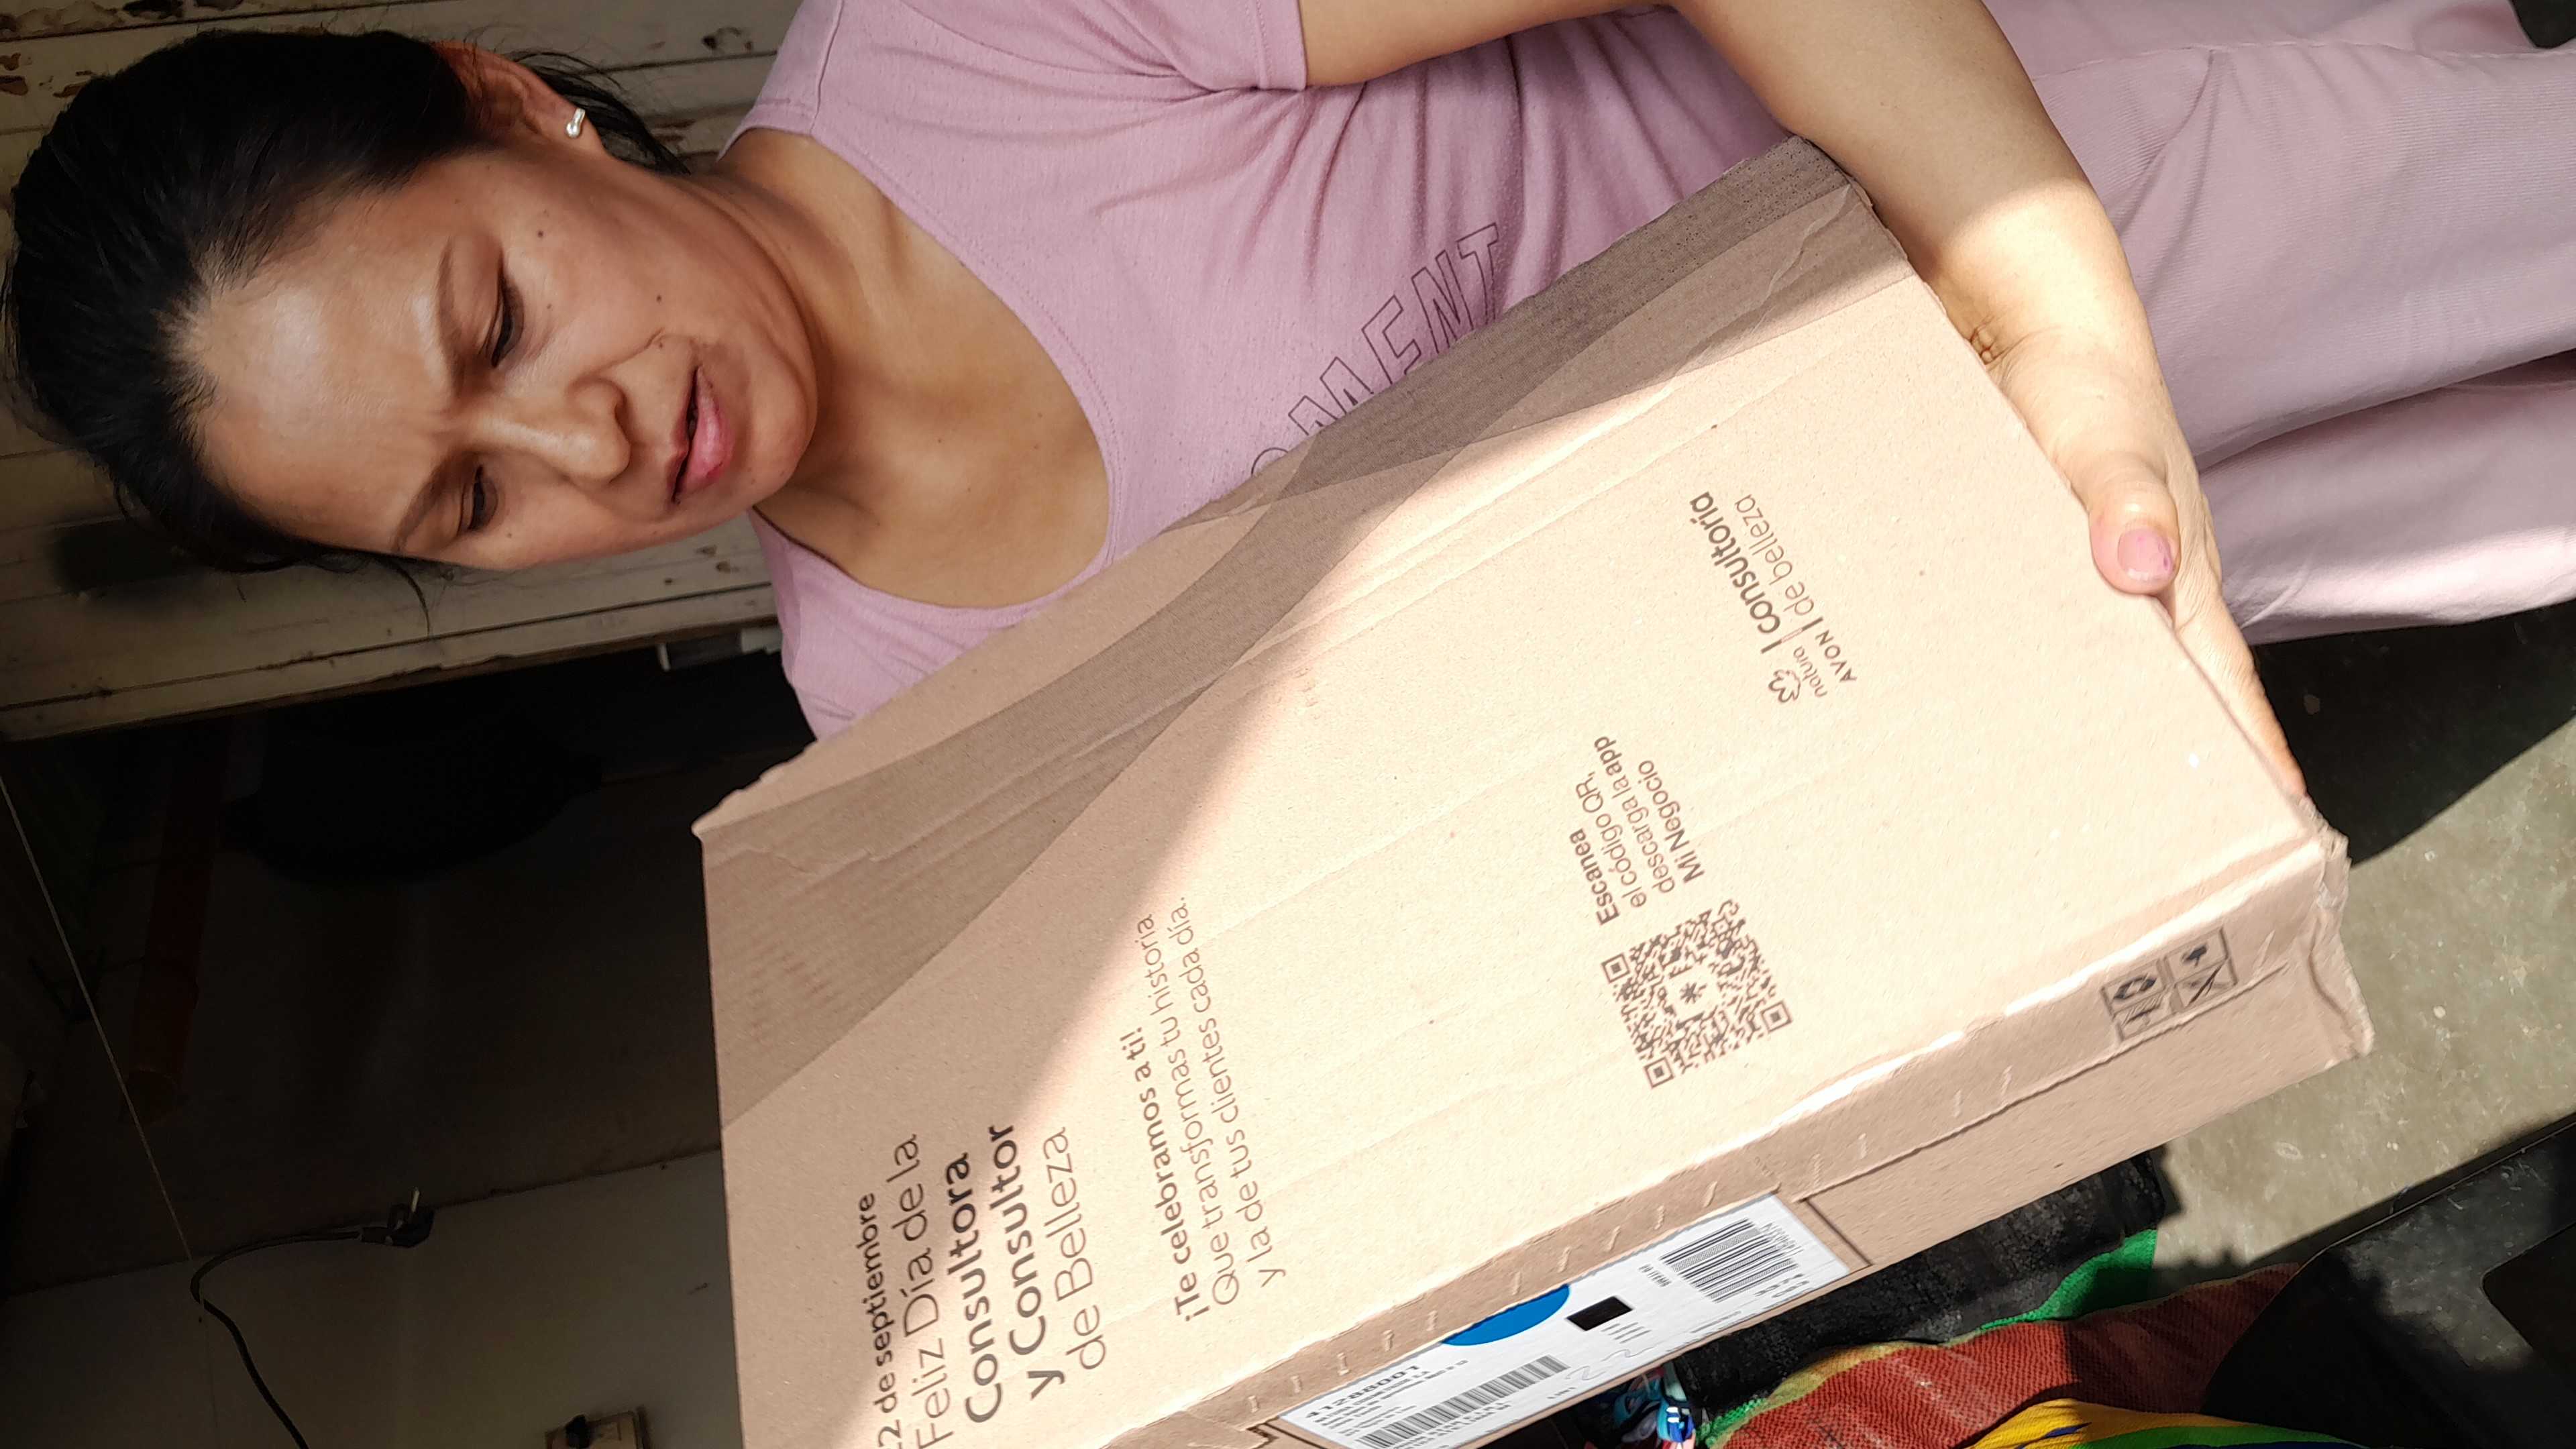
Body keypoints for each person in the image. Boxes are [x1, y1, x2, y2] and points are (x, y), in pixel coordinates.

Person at [5, 1, 2571, 781]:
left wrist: (2047, 325)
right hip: (1983, 584)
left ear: (510, 105)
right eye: (467, 506)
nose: (577, 446)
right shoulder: (887, 690)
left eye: (495, 328)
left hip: (2079, 207)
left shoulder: (979, 46)